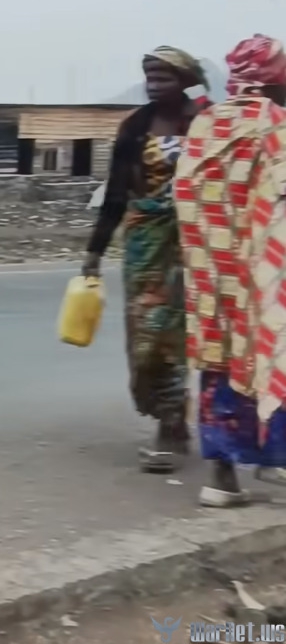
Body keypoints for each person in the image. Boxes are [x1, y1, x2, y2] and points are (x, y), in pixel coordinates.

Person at [82, 46, 208, 473]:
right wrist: (94, 251)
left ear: (186, 81)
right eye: (150, 78)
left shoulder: (208, 124)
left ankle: (171, 427)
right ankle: (169, 418)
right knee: (146, 335)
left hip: (195, 245)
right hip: (145, 246)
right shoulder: (135, 126)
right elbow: (116, 193)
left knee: (177, 336)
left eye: (164, 78)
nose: (154, 86)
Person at [173, 34, 286, 507]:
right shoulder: (276, 123)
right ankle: (275, 460)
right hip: (265, 280)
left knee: (219, 368)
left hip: (211, 281)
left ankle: (221, 479)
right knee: (272, 359)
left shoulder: (205, 123)